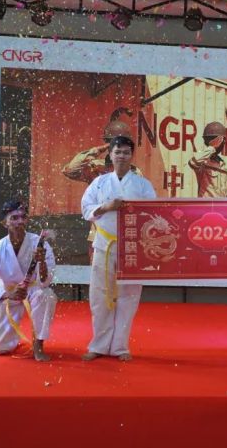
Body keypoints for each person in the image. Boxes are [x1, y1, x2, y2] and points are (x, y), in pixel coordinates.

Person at [81, 135, 156, 362]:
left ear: (131, 155)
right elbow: (86, 208)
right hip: (104, 244)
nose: (121, 156)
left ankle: (120, 346)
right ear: (110, 155)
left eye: (125, 152)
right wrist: (106, 206)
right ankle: (99, 344)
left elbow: (153, 212)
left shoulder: (142, 185)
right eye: (117, 152)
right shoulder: (99, 182)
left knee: (129, 295)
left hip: (132, 246)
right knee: (100, 294)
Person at [0, 200, 57, 362]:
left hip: (33, 289)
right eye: (14, 218)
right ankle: (12, 338)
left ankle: (38, 344)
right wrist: (9, 294)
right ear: (5, 223)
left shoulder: (39, 243)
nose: (20, 221)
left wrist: (41, 262)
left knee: (46, 295)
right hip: (9, 291)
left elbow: (45, 280)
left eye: (23, 217)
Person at [62, 120, 142, 256]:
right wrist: (98, 150)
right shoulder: (95, 167)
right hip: (99, 235)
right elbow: (70, 170)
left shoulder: (134, 173)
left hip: (123, 233)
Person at [188, 121, 227, 197]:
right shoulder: (203, 162)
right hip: (206, 204)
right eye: (221, 141)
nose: (223, 143)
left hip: (221, 204)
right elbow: (192, 162)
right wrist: (212, 147)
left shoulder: (222, 164)